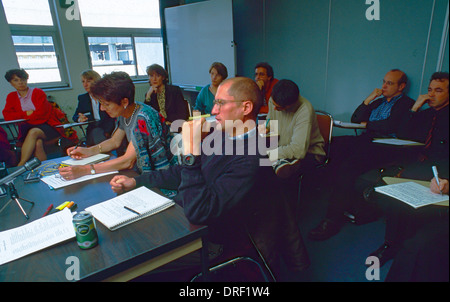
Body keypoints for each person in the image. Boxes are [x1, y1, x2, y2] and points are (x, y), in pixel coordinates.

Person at [110, 77, 309, 278]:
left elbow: (200, 212)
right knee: (126, 239)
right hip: (185, 218)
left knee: (128, 264)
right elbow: (180, 173)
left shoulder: (253, 157)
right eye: (215, 102)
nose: (214, 110)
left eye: (221, 103)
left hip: (212, 240)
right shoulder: (222, 135)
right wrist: (136, 181)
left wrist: (191, 153)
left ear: (246, 107)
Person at [308, 69, 415, 241]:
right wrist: (370, 98)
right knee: (333, 146)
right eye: (384, 81)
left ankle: (332, 220)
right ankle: (338, 199)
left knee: (348, 167)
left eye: (390, 83)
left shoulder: (406, 103)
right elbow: (356, 118)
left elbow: (391, 126)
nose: (384, 86)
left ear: (401, 86)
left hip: (386, 145)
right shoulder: (379, 101)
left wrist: (368, 124)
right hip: (367, 139)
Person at [367, 71, 449, 267]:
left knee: (404, 182)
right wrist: (415, 107)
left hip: (442, 168)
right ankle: (391, 244)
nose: (432, 95)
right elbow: (403, 132)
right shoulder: (427, 113)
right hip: (419, 162)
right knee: (396, 183)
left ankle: (402, 243)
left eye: (438, 90)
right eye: (430, 90)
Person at [59, 71, 177, 181]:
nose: (102, 108)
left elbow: (128, 161)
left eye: (106, 104)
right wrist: (87, 151)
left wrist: (85, 170)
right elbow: (114, 141)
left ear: (124, 102)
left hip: (165, 175)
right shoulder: (127, 111)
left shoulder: (143, 118)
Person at [3, 69, 78, 166]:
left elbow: (42, 115)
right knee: (38, 143)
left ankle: (21, 165)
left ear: (26, 80)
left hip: (48, 127)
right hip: (25, 130)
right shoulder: (11, 97)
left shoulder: (38, 92)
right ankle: (43, 170)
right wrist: (27, 114)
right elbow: (8, 116)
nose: (20, 82)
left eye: (22, 79)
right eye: (16, 80)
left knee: (34, 132)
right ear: (11, 83)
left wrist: (23, 118)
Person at [265, 79, 326, 180]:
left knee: (267, 165)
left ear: (290, 105)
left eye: (278, 107)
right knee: (259, 163)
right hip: (283, 147)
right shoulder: (273, 100)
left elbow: (298, 150)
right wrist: (265, 128)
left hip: (310, 153)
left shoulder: (305, 110)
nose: (274, 108)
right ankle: (280, 162)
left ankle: (284, 163)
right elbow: (270, 122)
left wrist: (268, 153)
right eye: (273, 104)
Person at [72, 70, 115, 146]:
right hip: (93, 130)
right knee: (96, 132)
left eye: (88, 81)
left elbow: (113, 116)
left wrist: (108, 132)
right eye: (83, 82)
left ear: (97, 81)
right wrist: (80, 118)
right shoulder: (83, 98)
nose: (85, 84)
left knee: (98, 133)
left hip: (109, 128)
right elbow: (75, 116)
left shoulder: (106, 95)